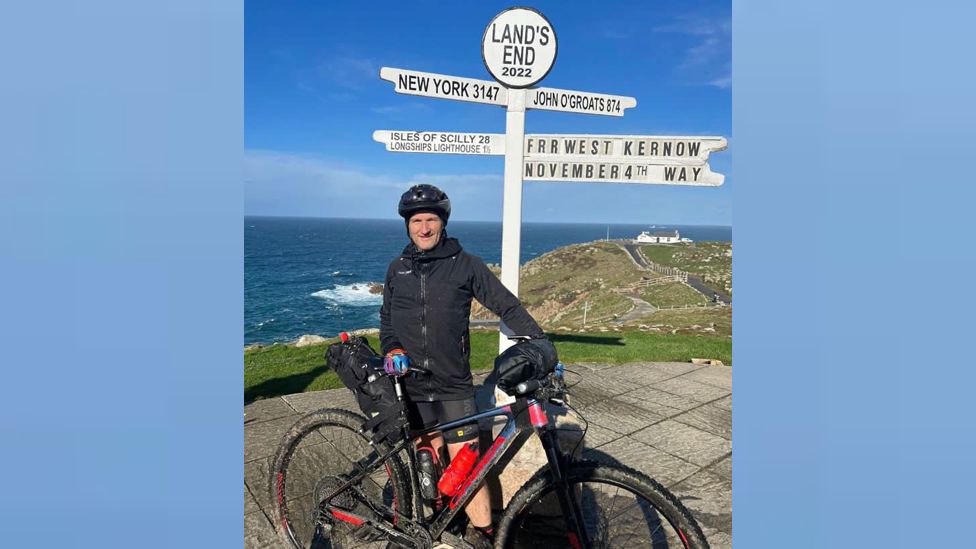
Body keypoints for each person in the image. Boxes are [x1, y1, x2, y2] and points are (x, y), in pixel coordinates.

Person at [379, 183, 547, 547]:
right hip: (409, 383)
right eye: (417, 220)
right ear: (408, 225)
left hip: (453, 382)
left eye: (431, 220)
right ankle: (441, 522)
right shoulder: (398, 269)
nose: (424, 228)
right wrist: (391, 347)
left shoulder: (466, 265)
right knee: (427, 458)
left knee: (467, 465)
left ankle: (485, 534)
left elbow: (507, 306)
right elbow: (387, 319)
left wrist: (539, 341)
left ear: (443, 222)